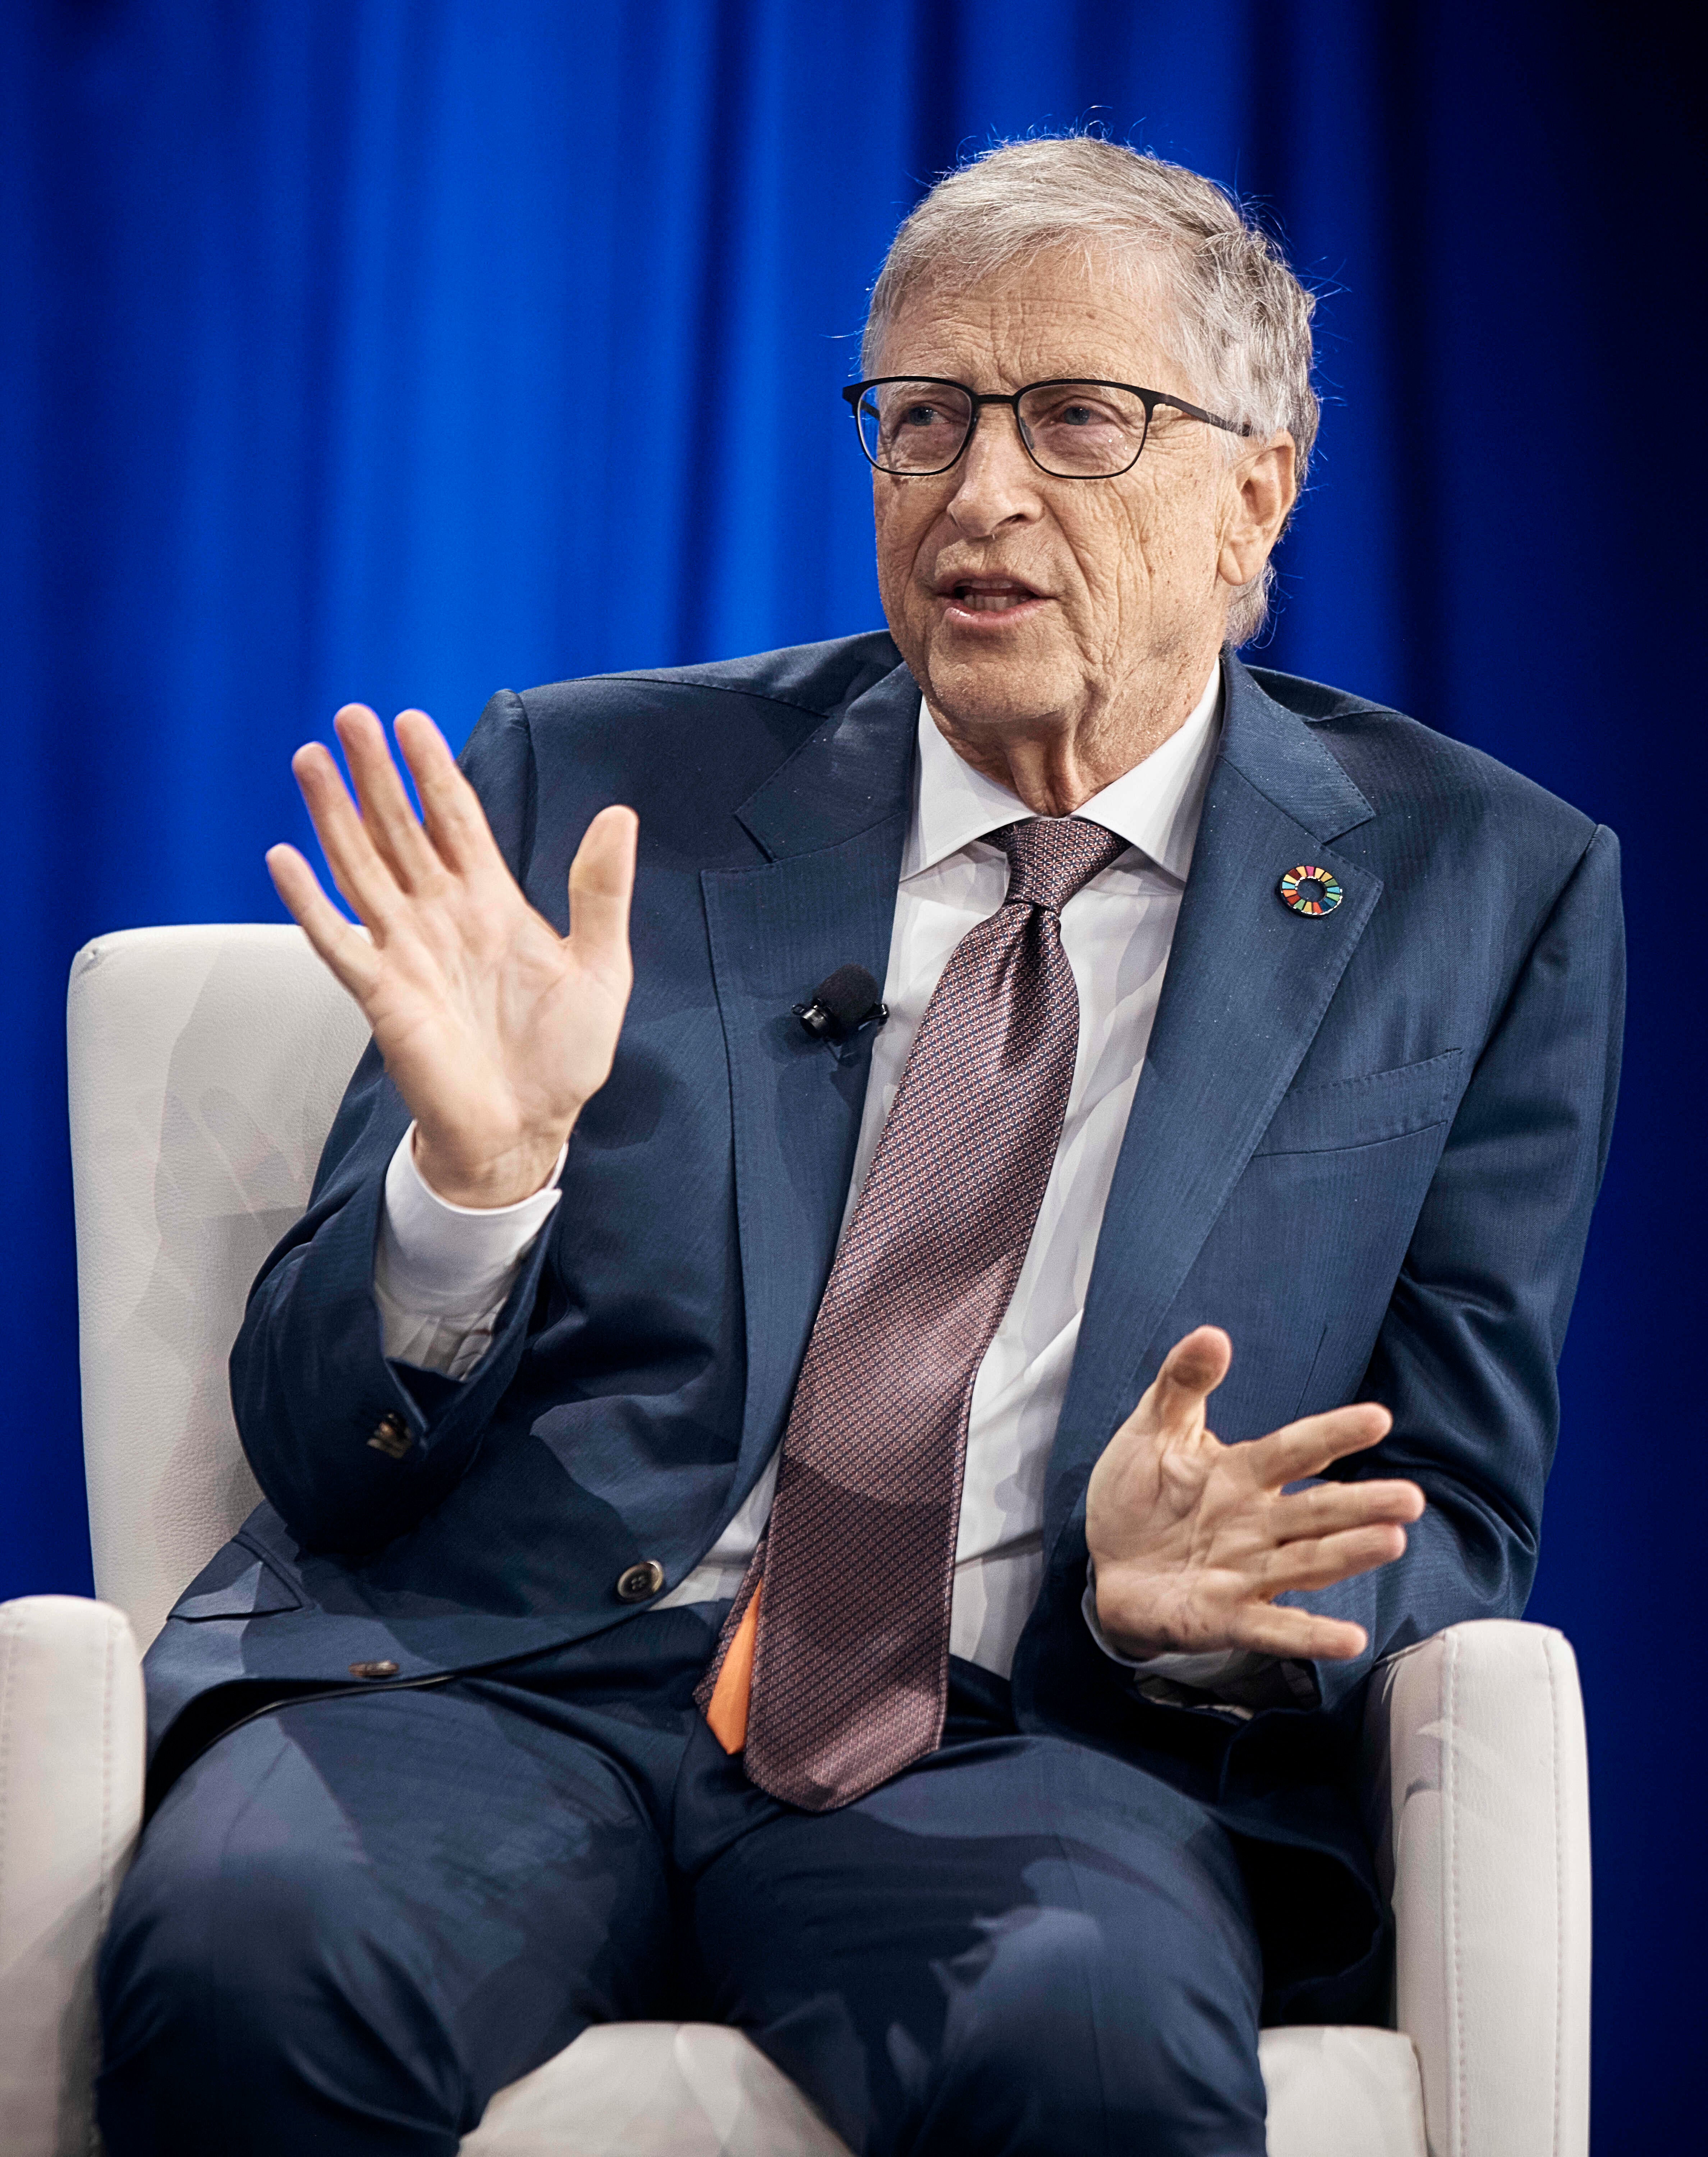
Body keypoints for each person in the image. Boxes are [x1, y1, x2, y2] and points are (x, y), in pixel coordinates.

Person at [97, 136, 1623, 2156]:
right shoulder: (600, 784)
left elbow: (1459, 1508)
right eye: (923, 419)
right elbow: (320, 1443)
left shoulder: (1479, 886)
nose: (978, 493)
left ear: (1259, 485)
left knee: (1095, 2056)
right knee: (244, 1965)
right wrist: (471, 1195)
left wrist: (1197, 1599)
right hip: (504, 1683)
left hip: (1036, 1728)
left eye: (1077, 419)